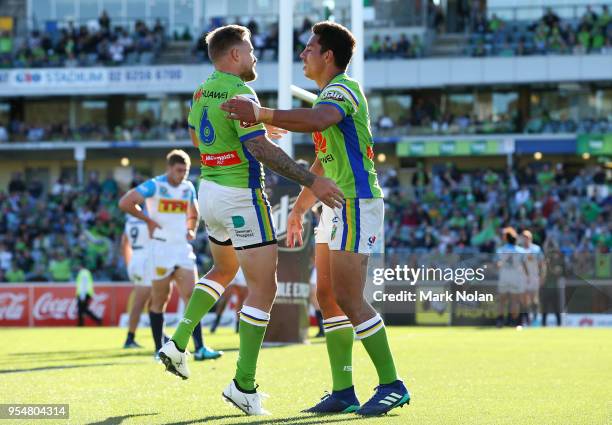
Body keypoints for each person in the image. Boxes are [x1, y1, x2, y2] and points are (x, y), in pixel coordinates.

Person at [221, 21, 409, 416]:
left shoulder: (341, 90)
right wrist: (302, 207)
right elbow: (326, 159)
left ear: (328, 56)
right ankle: (344, 391)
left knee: (348, 298)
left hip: (356, 203)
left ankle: (392, 384)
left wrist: (261, 112)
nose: (303, 54)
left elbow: (319, 120)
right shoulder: (329, 94)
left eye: (309, 48)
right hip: (336, 205)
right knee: (326, 296)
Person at [156, 24, 343, 416]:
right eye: (251, 50)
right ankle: (243, 384)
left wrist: (257, 126)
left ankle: (176, 342)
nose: (255, 56)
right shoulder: (240, 91)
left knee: (222, 270)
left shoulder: (203, 89)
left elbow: (197, 137)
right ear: (235, 55)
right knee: (264, 288)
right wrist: (313, 179)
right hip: (241, 196)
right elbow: (260, 151)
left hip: (208, 193)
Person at [119, 150, 221, 361]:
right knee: (159, 300)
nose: (182, 175)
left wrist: (191, 227)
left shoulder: (187, 187)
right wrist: (147, 220)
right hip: (160, 249)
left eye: (185, 171)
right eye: (178, 170)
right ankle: (159, 350)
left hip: (181, 248)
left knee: (192, 298)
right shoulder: (155, 185)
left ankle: (200, 348)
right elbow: (126, 202)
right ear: (169, 168)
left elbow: (193, 210)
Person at [121, 211, 150, 349]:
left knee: (154, 298)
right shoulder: (148, 217)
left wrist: (129, 264)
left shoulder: (130, 220)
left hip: (136, 259)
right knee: (141, 301)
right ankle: (130, 337)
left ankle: (159, 332)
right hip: (146, 260)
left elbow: (124, 244)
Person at [496, 227, 528, 327]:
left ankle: (500, 321)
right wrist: (527, 276)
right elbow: (524, 265)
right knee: (514, 301)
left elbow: (497, 264)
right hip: (515, 276)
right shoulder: (521, 251)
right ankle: (514, 322)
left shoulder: (501, 250)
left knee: (502, 300)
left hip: (504, 276)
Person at [210, 267, 248, 334]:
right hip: (232, 266)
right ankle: (216, 321)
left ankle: (238, 325)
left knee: (241, 299)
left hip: (243, 268)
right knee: (225, 297)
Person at [521, 230, 546, 325]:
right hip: (523, 278)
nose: (525, 240)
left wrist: (542, 276)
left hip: (534, 277)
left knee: (534, 299)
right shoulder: (520, 250)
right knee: (524, 300)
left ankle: (535, 319)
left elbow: (542, 264)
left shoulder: (536, 249)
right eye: (523, 238)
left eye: (527, 238)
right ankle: (526, 320)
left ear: (530, 238)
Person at [75, 262, 102, 326]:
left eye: (78, 266)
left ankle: (96, 320)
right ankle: (82, 324)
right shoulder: (86, 272)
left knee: (82, 309)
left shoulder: (83, 273)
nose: (76, 267)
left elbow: (84, 284)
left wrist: (82, 296)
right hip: (86, 293)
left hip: (84, 294)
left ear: (81, 265)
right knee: (83, 309)